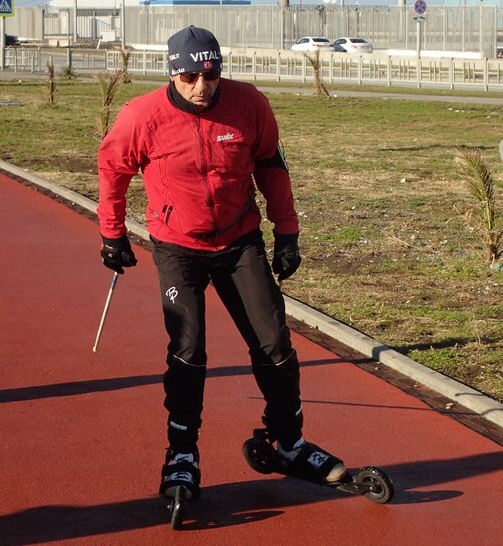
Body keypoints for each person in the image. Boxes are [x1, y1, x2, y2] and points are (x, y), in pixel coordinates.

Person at [97, 25, 345, 502]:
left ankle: (286, 442)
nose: (201, 86)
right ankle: (183, 453)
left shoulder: (249, 104)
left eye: (210, 74)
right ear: (172, 74)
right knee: (188, 349)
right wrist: (112, 233)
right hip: (178, 246)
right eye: (189, 76)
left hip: (238, 241)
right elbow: (113, 169)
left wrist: (287, 232)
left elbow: (272, 165)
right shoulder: (142, 115)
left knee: (274, 340)